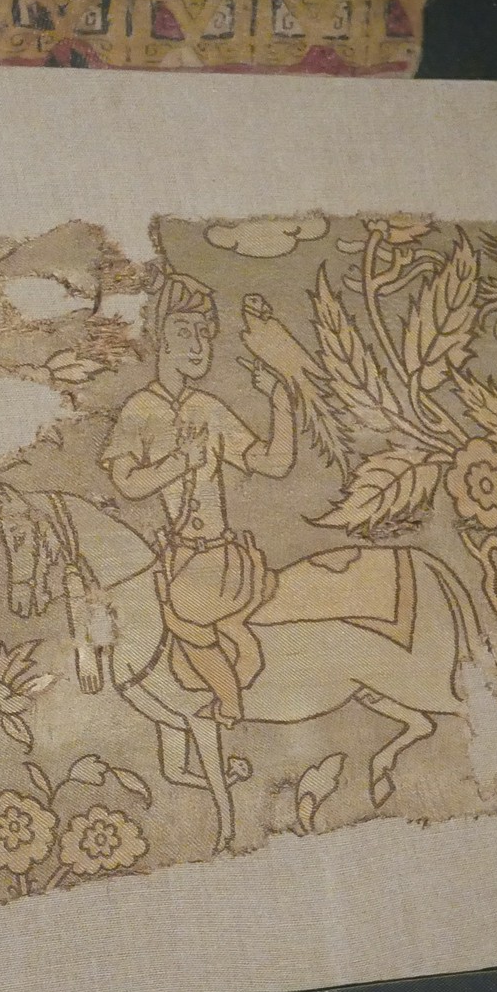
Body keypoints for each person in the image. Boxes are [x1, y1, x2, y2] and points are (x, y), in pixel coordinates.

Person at [99, 270, 295, 723]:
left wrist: (280, 403)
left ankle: (229, 703)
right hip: (179, 554)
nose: (198, 344)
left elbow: (274, 463)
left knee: (181, 618)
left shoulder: (208, 408)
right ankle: (236, 659)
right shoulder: (141, 409)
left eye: (204, 333)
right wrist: (179, 462)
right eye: (184, 331)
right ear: (159, 337)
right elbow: (127, 484)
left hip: (219, 556)